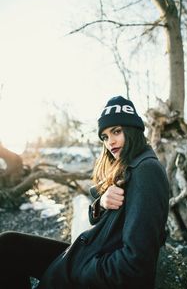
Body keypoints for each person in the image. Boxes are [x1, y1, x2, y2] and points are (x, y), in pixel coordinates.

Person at [0, 95, 169, 289]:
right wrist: (102, 202)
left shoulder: (146, 171)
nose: (110, 142)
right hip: (91, 251)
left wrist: (80, 270)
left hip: (95, 265)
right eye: (105, 136)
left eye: (116, 131)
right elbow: (93, 216)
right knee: (9, 244)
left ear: (132, 130)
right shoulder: (125, 166)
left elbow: (135, 266)